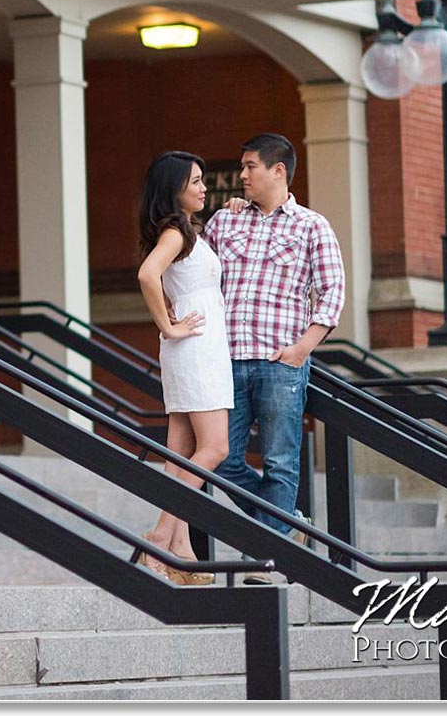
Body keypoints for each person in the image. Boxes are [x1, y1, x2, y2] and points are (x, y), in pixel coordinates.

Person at [205, 132, 345, 577]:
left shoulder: (312, 226)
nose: (242, 174)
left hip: (280, 361)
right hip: (225, 360)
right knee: (222, 459)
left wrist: (302, 349)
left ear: (278, 170)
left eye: (250, 167)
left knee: (281, 461)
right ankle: (286, 525)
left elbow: (332, 292)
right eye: (243, 167)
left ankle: (267, 557)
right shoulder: (223, 223)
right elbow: (200, 277)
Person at [131, 151, 230, 585]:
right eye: (195, 181)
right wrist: (168, 327)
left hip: (197, 345)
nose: (203, 188)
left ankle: (180, 551)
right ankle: (160, 536)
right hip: (193, 345)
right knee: (216, 448)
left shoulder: (188, 231)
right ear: (174, 189)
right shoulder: (175, 232)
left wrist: (234, 210)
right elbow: (147, 275)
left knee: (180, 453)